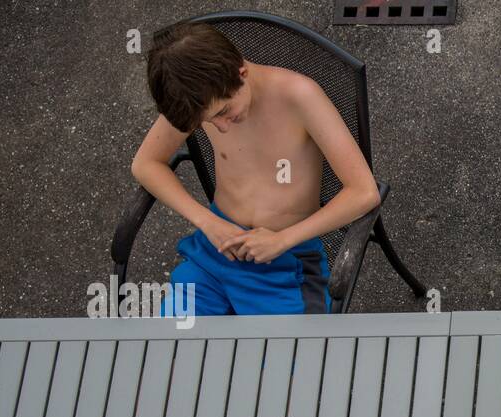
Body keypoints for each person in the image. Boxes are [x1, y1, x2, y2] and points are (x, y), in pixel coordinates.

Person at [130, 21, 380, 316]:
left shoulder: (300, 96)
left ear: (241, 72)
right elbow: (146, 163)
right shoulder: (197, 97)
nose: (220, 127)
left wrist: (282, 240)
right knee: (172, 352)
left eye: (224, 112)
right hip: (214, 254)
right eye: (207, 122)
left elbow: (364, 192)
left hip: (286, 263)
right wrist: (207, 222)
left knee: (290, 358)